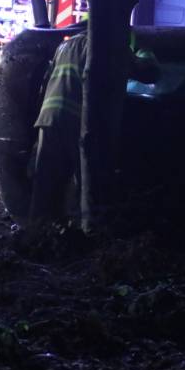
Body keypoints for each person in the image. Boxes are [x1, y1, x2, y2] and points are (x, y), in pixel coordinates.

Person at [30, 29, 161, 234]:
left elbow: (45, 83)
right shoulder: (107, 48)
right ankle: (81, 235)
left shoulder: (66, 45)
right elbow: (150, 72)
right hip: (76, 123)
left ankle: (36, 237)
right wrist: (144, 49)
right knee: (83, 186)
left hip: (48, 119)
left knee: (45, 185)